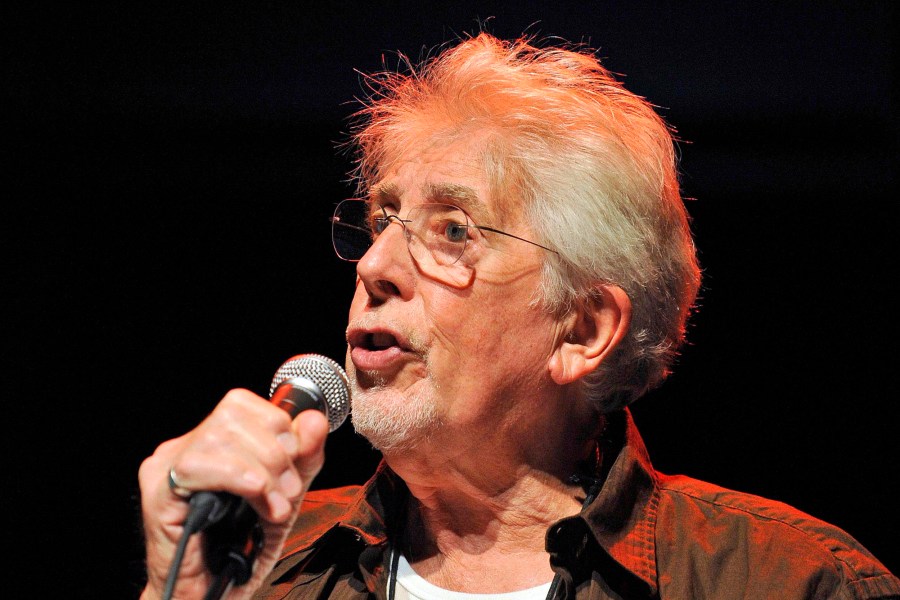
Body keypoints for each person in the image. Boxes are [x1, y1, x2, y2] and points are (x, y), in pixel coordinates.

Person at [137, 33, 899, 600]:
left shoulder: (791, 583)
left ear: (581, 329)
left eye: (453, 232)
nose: (373, 268)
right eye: (383, 222)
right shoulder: (258, 564)